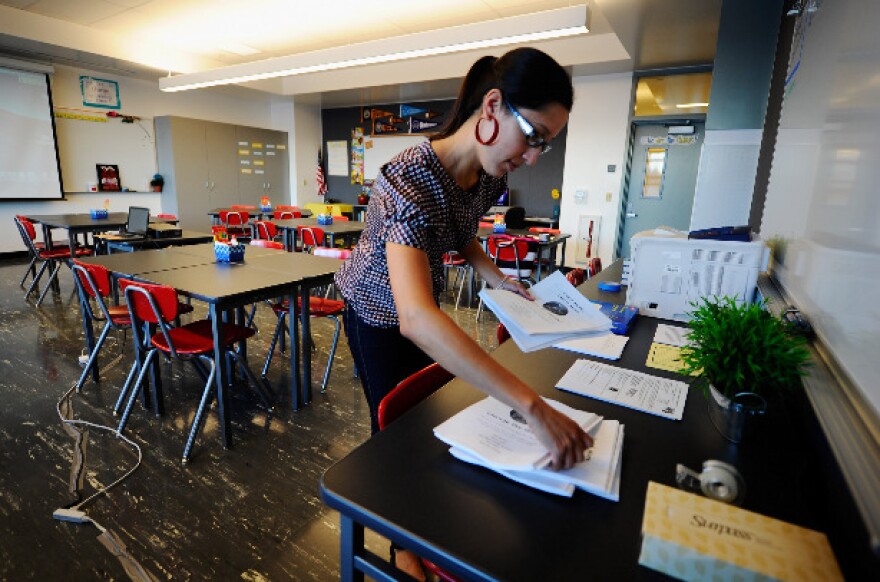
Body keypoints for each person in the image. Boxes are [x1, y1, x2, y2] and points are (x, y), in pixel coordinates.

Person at [334, 47, 593, 578]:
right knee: (396, 436)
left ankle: (425, 524)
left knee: (431, 424)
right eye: (535, 136)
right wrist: (534, 406)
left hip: (415, 303)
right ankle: (401, 544)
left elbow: (461, 231)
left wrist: (497, 277)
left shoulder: (487, 174)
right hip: (377, 313)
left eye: (547, 143)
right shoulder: (407, 181)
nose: (535, 155)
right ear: (492, 108)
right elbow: (417, 319)